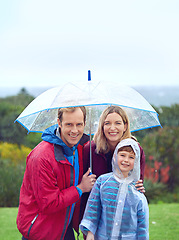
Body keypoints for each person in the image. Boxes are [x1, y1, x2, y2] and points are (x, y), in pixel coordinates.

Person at [16, 107, 96, 240]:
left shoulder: (81, 148)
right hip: (41, 232)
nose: (75, 131)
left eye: (79, 124)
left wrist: (133, 181)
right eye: (69, 124)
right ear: (59, 123)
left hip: (65, 229)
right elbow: (49, 203)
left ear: (84, 124)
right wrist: (81, 188)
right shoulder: (41, 157)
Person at [80, 138, 149, 240]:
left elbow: (142, 224)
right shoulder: (102, 182)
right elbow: (93, 208)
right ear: (115, 156)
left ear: (136, 161)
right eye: (122, 155)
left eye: (131, 157)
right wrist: (90, 231)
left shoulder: (137, 190)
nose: (126, 160)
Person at [83, 105, 145, 186]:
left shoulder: (135, 150)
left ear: (125, 126)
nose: (112, 128)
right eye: (107, 123)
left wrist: (138, 187)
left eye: (118, 123)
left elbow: (137, 181)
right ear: (102, 126)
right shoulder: (90, 149)